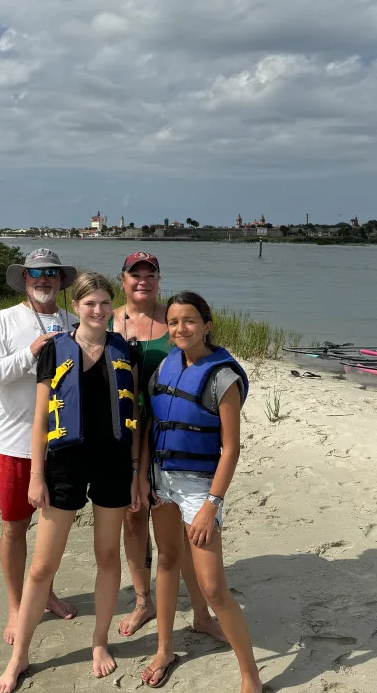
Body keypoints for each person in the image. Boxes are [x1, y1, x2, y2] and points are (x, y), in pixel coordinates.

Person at [0, 272, 142, 693]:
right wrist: (36, 477)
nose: (97, 310)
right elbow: (40, 419)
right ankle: (19, 656)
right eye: (89, 303)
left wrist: (134, 473)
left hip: (113, 464)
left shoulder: (124, 350)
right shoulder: (56, 349)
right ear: (75, 306)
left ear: (111, 307)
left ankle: (100, 642)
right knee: (41, 566)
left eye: (103, 303)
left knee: (107, 557)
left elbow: (136, 418)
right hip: (64, 464)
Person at [138, 291, 263, 692]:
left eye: (189, 320)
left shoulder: (222, 377)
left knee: (212, 586)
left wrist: (212, 504)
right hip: (162, 481)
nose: (180, 329)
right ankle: (164, 648)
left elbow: (232, 448)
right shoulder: (164, 367)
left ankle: (250, 676)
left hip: (199, 489)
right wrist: (143, 476)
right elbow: (150, 423)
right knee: (168, 559)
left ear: (206, 324)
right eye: (173, 322)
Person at [110, 251, 227, 643]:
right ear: (123, 279)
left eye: (150, 274)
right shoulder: (107, 320)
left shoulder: (175, 320)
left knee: (176, 534)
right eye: (134, 274)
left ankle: (199, 611)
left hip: (166, 438)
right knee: (132, 516)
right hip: (123, 434)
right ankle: (143, 600)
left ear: (159, 279)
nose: (142, 280)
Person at [0, 248, 79, 645]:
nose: (44, 279)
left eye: (52, 272)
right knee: (15, 528)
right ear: (24, 278)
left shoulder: (72, 321)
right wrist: (30, 352)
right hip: (16, 443)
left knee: (53, 529)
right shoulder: (3, 320)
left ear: (61, 280)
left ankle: (45, 592)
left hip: (62, 443)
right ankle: (17, 605)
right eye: (36, 273)